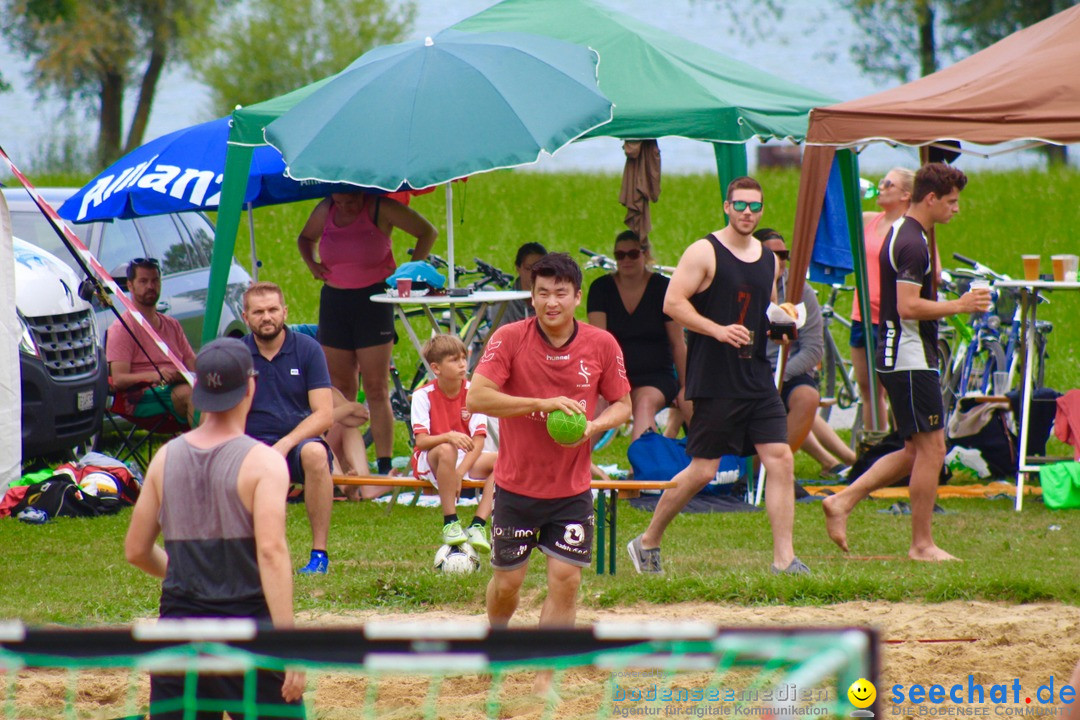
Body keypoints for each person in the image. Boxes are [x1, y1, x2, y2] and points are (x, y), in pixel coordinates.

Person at [628, 176, 807, 576]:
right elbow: (674, 303)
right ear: (726, 207)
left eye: (754, 207)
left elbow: (765, 310)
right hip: (715, 378)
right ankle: (647, 541)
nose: (747, 212)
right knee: (703, 470)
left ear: (762, 210)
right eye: (740, 205)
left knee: (780, 459)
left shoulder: (767, 258)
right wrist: (717, 329)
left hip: (757, 377)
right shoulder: (704, 251)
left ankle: (785, 561)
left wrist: (782, 325)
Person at [467, 253, 631, 689]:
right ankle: (496, 641)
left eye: (561, 293)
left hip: (571, 490)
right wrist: (542, 404)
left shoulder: (601, 344)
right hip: (516, 487)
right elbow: (477, 399)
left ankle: (545, 676)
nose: (551, 302)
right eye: (542, 293)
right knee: (508, 585)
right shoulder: (509, 338)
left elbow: (623, 404)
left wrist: (594, 425)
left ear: (577, 297)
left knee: (566, 581)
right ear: (532, 298)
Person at [124, 338, 305, 719]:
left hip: (179, 632)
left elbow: (136, 550)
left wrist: (183, 572)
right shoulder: (265, 463)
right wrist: (290, 645)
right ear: (250, 386)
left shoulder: (165, 458)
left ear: (200, 392)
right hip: (249, 630)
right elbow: (271, 552)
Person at [823, 163, 991, 562]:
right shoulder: (913, 241)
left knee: (916, 450)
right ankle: (921, 544)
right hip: (908, 356)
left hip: (903, 353)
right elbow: (907, 306)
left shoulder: (906, 232)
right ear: (930, 199)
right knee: (932, 449)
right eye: (951, 201)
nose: (956, 209)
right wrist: (960, 305)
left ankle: (843, 500)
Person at [297, 191, 437, 476]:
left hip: (374, 300)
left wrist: (407, 273)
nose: (345, 207)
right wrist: (312, 264)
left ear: (363, 194)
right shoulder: (325, 209)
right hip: (335, 300)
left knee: (375, 386)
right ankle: (339, 461)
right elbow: (304, 238)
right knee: (340, 388)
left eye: (351, 201)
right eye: (340, 202)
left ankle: (384, 466)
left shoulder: (381, 207)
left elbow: (427, 232)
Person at [241, 282, 335, 575]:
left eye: (272, 310)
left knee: (316, 455)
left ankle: (319, 554)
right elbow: (218, 413)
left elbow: (324, 415)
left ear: (285, 311)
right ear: (245, 317)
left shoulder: (308, 349)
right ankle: (242, 555)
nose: (266, 317)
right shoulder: (235, 353)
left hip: (297, 442)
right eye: (258, 312)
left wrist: (285, 443)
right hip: (248, 442)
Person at [587, 230, 690, 440]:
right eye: (619, 255)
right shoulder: (601, 289)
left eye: (632, 254)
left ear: (645, 254)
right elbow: (599, 344)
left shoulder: (662, 288)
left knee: (644, 404)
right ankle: (573, 469)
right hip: (613, 375)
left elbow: (678, 343)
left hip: (656, 376)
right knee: (595, 408)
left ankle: (642, 470)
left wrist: (687, 385)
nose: (626, 260)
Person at [411, 334, 496, 551]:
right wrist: (449, 436)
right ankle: (450, 522)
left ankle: (478, 524)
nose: (461, 365)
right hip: (432, 457)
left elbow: (478, 441)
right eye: (453, 360)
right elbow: (422, 442)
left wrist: (460, 473)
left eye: (463, 358)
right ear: (436, 368)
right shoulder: (423, 395)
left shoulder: (474, 393)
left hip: (463, 459)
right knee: (447, 449)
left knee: (506, 460)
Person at [852, 168, 915, 432]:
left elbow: (931, 271)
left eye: (888, 184)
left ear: (906, 195)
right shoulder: (867, 219)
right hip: (862, 316)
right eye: (881, 182)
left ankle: (904, 452)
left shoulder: (911, 229)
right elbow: (830, 218)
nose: (882, 186)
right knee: (870, 393)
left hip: (894, 319)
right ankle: (874, 452)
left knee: (896, 391)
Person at [106, 257, 197, 426]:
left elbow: (194, 365)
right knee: (195, 396)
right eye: (143, 281)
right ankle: (203, 450)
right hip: (142, 397)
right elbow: (118, 380)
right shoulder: (122, 328)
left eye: (155, 280)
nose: (150, 286)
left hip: (179, 385)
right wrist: (156, 375)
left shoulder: (172, 325)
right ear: (130, 285)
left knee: (222, 391)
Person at [757, 228, 823, 455]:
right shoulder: (743, 287)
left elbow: (814, 349)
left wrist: (780, 376)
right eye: (771, 255)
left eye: (783, 255)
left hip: (787, 371)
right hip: (750, 368)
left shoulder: (799, 291)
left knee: (807, 397)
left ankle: (768, 467)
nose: (779, 261)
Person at [497, 242, 547, 326]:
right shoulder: (503, 306)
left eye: (541, 268)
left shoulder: (554, 301)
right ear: (518, 269)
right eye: (528, 268)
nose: (535, 273)